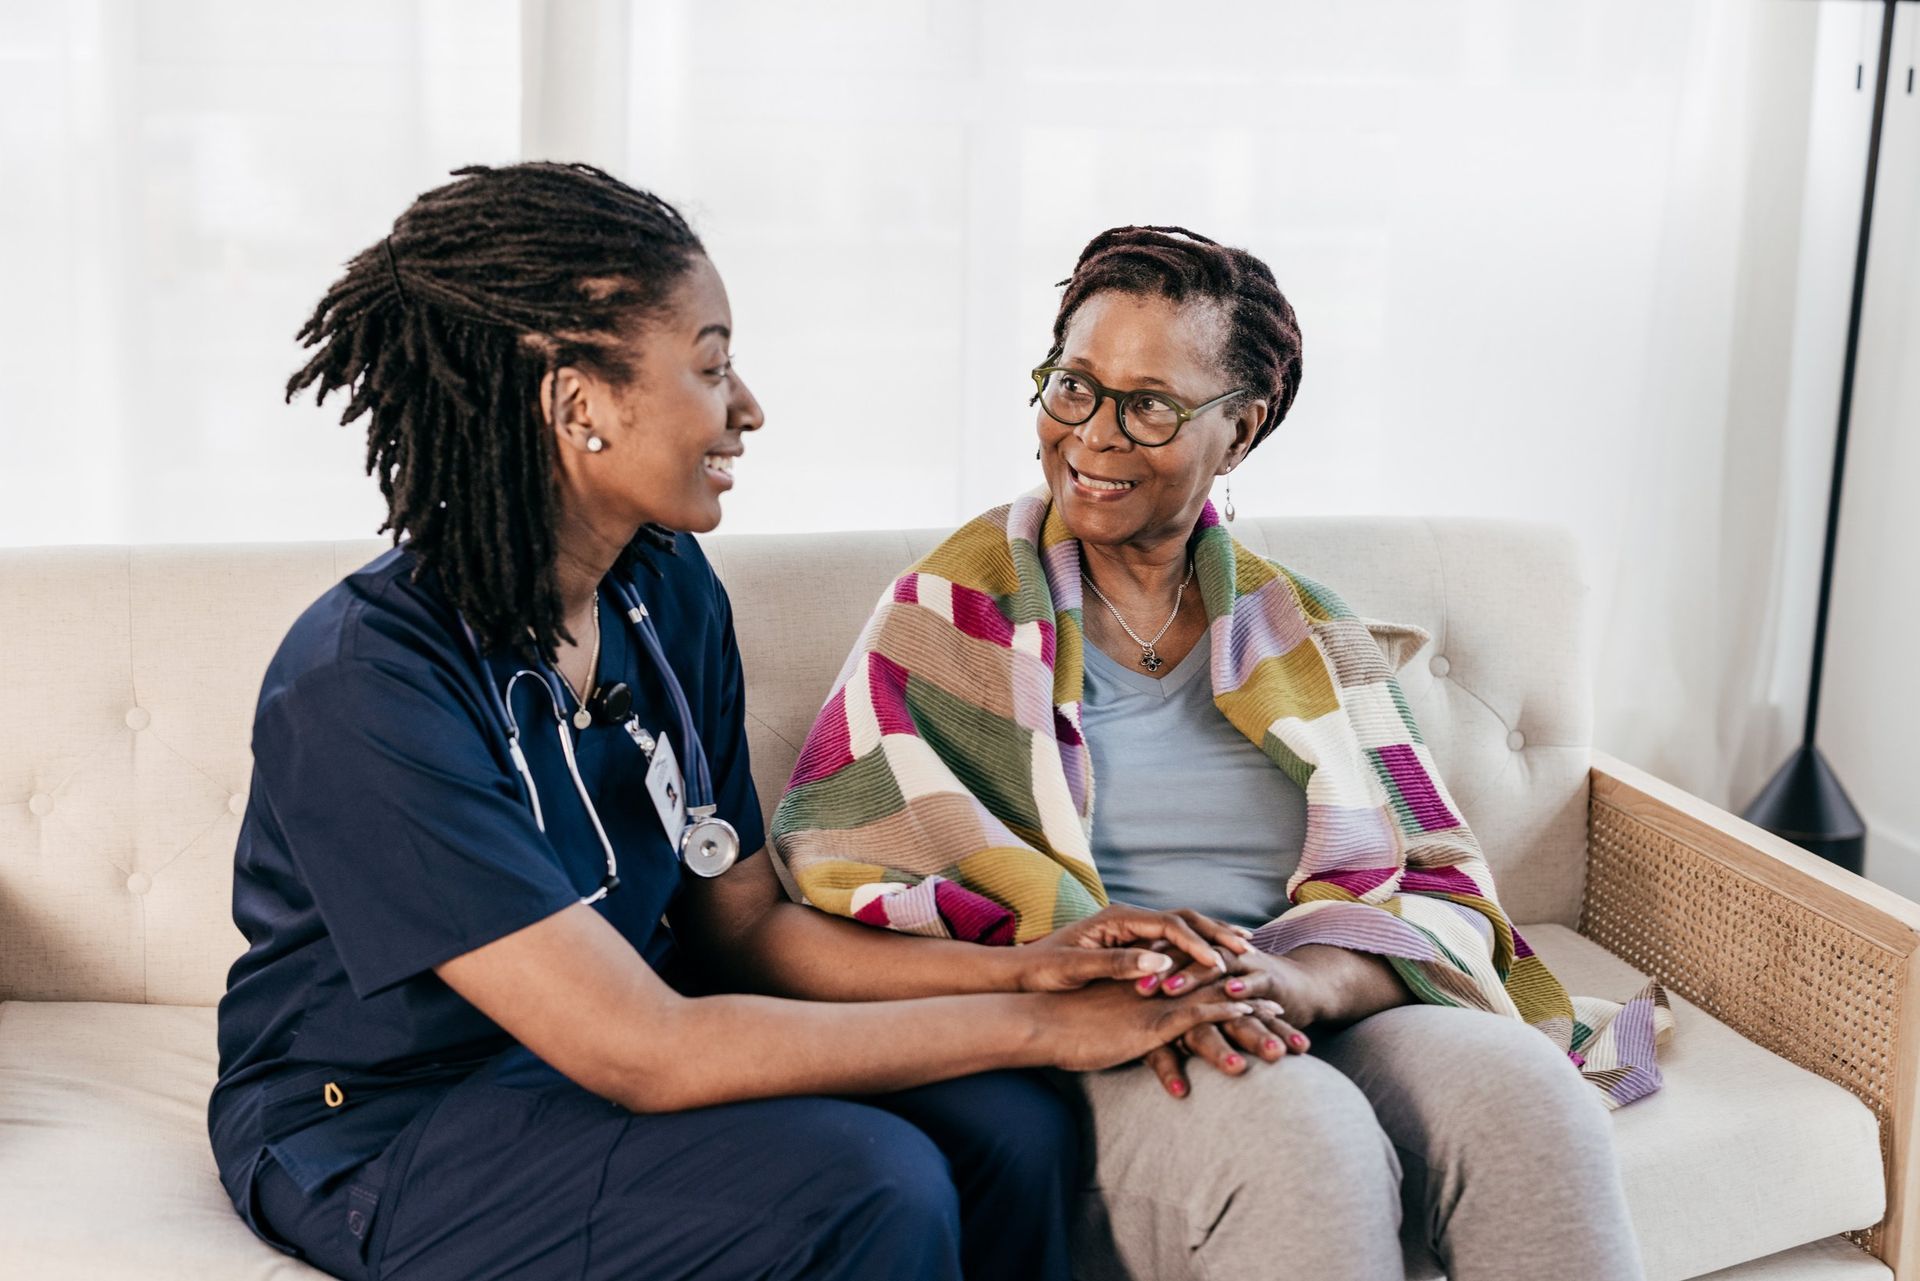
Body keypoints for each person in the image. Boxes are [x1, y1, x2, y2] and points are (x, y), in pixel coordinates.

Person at [208, 167, 1262, 1281]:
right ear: (578, 404)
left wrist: (1032, 973)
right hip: (386, 1122)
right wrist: (1049, 1027)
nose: (746, 406)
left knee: (1014, 1126)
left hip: (606, 1048)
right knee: (860, 1188)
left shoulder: (663, 591)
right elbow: (641, 1049)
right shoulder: (363, 684)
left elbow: (740, 926)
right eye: (710, 367)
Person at [771, 226, 1666, 1280]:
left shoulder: (1312, 632)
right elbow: (838, 878)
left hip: (1306, 983)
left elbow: (1441, 897)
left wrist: (1309, 985)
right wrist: (1080, 978)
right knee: (1306, 1139)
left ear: (1239, 431)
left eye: (1150, 403)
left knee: (1529, 1099)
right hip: (1105, 1024)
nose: (1095, 434)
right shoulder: (951, 618)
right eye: (1073, 386)